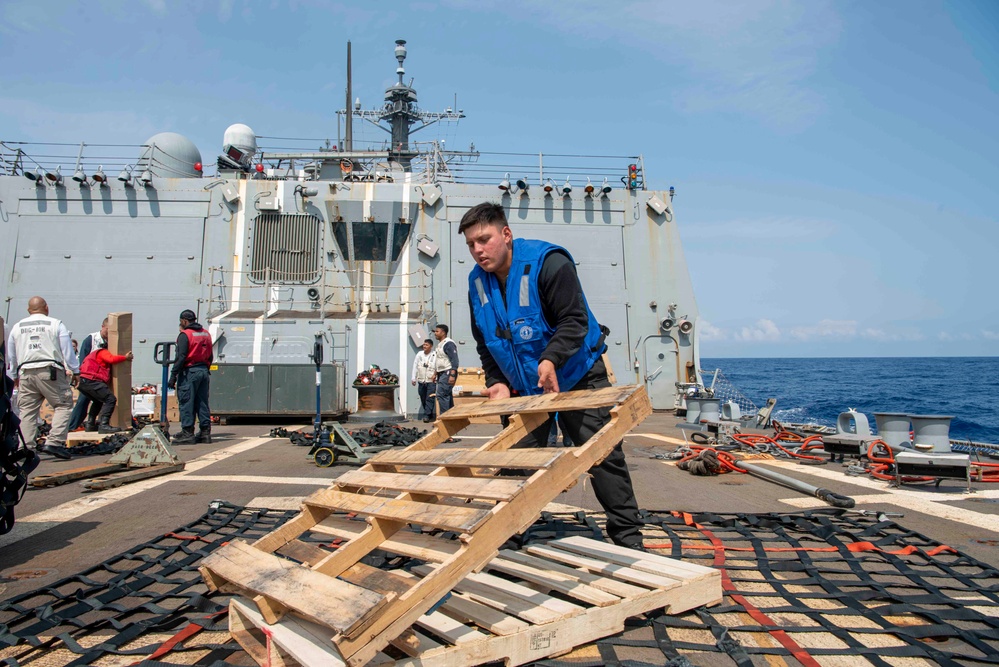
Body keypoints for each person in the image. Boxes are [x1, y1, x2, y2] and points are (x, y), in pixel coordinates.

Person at [459, 202, 645, 551]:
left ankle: (629, 541)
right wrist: (496, 380)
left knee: (601, 456)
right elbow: (486, 340)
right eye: (471, 244)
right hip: (524, 387)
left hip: (575, 374)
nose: (478, 250)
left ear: (506, 234)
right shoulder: (477, 284)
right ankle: (508, 540)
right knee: (516, 461)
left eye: (484, 239)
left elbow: (575, 321)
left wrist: (550, 360)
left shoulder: (550, 263)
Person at [5, 296, 79, 454]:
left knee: (27, 410)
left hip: (25, 372)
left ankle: (25, 447)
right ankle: (55, 442)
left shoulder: (17, 327)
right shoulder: (55, 324)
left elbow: (12, 355)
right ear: (46, 308)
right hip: (50, 371)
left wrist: (14, 376)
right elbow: (67, 350)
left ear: (28, 310)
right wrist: (75, 370)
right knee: (63, 405)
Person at [168, 309, 213, 444]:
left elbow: (180, 357)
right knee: (202, 402)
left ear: (184, 321)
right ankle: (205, 432)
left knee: (186, 401)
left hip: (190, 371)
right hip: (204, 371)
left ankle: (187, 432)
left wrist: (173, 376)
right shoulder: (206, 333)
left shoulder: (185, 335)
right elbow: (210, 355)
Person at [77, 340, 133, 434]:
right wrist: (125, 357)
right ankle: (104, 425)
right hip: (91, 380)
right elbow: (111, 359)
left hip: (84, 381)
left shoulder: (94, 354)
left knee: (98, 401)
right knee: (110, 399)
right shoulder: (103, 352)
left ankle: (90, 424)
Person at [68, 317, 108, 432]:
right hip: (89, 377)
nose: (109, 333)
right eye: (108, 330)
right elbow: (83, 359)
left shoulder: (112, 341)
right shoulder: (91, 339)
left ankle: (92, 424)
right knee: (83, 400)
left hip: (102, 377)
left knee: (107, 400)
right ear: (102, 326)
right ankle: (72, 426)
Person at [431, 324, 458, 416]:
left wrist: (452, 375)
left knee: (441, 395)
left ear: (443, 333)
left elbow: (454, 359)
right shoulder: (440, 345)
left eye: (437, 331)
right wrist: (435, 373)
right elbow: (439, 360)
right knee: (447, 395)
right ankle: (451, 417)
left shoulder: (449, 344)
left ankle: (444, 418)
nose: (435, 333)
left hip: (448, 372)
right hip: (442, 373)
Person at [410, 338, 436, 422]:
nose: (424, 346)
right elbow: (415, 366)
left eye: (426, 345)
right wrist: (413, 377)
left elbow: (437, 367)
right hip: (421, 380)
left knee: (430, 398)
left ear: (431, 346)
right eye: (424, 344)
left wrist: (435, 376)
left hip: (431, 380)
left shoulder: (434, 355)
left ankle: (426, 415)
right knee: (423, 397)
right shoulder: (419, 354)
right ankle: (429, 413)